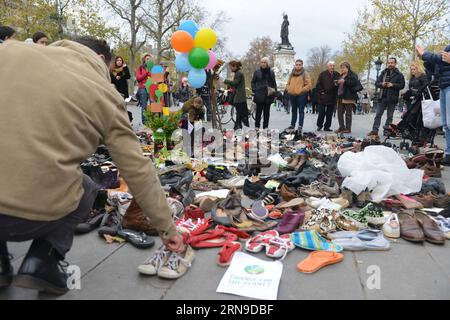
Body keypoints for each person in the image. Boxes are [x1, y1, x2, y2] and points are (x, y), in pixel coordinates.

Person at [0, 37, 183, 295]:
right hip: (31, 215)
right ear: (100, 60)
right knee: (87, 186)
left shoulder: (9, 51)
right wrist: (168, 228)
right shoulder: (104, 93)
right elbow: (137, 168)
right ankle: (42, 261)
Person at [417, 44, 450, 165]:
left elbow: (439, 59)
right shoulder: (447, 47)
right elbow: (438, 67)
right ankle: (449, 154)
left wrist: (425, 54)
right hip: (444, 86)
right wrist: (425, 60)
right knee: (446, 124)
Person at [368, 57, 405, 136]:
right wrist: (382, 84)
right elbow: (377, 83)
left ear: (395, 64)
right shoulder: (383, 72)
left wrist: (393, 85)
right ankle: (374, 131)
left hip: (392, 98)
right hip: (382, 97)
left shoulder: (399, 74)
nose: (390, 64)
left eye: (392, 63)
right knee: (378, 115)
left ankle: (387, 131)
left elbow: (402, 85)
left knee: (390, 116)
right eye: (389, 63)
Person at [285, 59, 312, 132]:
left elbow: (309, 85)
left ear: (302, 65)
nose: (298, 66)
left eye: (299, 64)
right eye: (297, 64)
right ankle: (292, 125)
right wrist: (289, 89)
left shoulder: (305, 73)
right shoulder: (292, 73)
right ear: (295, 65)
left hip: (301, 95)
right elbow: (288, 83)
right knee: (293, 111)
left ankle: (300, 125)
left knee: (301, 111)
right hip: (292, 94)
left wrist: (301, 90)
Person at [251, 57, 277, 130]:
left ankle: (265, 127)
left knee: (266, 113)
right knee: (258, 112)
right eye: (262, 62)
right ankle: (257, 127)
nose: (263, 64)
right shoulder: (257, 72)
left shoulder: (271, 72)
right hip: (259, 94)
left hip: (268, 95)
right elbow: (253, 82)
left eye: (264, 62)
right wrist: (255, 90)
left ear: (267, 63)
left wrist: (275, 94)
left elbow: (274, 83)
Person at [336, 62, 360, 134]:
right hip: (340, 96)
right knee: (339, 113)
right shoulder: (341, 75)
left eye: (343, 68)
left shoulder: (353, 75)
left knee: (348, 114)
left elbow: (353, 83)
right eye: (341, 68)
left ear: (347, 68)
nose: (342, 69)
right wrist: (337, 82)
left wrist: (344, 81)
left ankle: (348, 128)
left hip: (348, 96)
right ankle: (341, 127)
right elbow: (340, 84)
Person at [316, 61, 340, 132]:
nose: (332, 67)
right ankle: (319, 125)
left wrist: (338, 84)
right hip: (323, 97)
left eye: (333, 66)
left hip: (332, 97)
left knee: (329, 114)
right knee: (321, 113)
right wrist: (322, 92)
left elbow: (339, 84)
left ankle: (327, 127)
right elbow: (318, 84)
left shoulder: (337, 74)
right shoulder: (322, 74)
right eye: (330, 66)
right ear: (328, 66)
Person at [224, 60, 249, 130]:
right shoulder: (238, 72)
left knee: (239, 112)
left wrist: (226, 81)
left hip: (239, 96)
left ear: (235, 66)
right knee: (239, 112)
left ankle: (237, 126)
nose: (230, 68)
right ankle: (238, 126)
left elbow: (235, 83)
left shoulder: (238, 73)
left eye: (231, 67)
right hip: (239, 96)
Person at [136, 53, 152, 125]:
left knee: (154, 106)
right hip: (143, 89)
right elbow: (138, 78)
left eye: (149, 59)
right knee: (144, 107)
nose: (148, 60)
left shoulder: (152, 68)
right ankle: (145, 123)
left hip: (151, 89)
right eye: (147, 59)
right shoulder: (140, 68)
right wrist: (146, 73)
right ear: (144, 60)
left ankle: (153, 122)